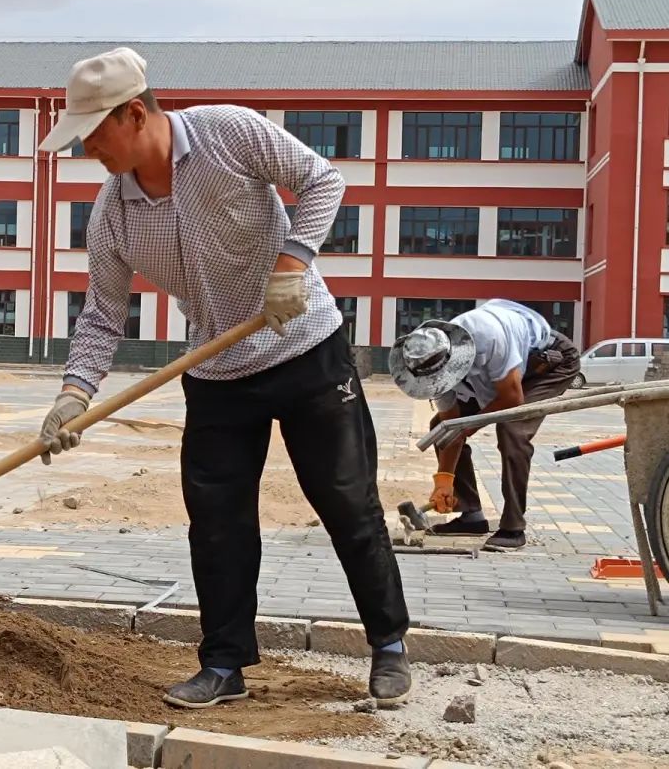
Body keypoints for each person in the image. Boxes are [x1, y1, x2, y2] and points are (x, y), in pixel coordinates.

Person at [36, 47, 411, 708]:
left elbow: (322, 180)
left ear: (132, 113)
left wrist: (293, 263)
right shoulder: (113, 213)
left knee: (347, 503)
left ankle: (388, 647)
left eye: (93, 133)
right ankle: (225, 665)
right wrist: (73, 396)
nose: (86, 148)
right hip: (215, 369)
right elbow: (101, 318)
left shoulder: (227, 133)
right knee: (216, 524)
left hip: (306, 351)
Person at [388, 299, 581, 550]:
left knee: (512, 429)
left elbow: (512, 398)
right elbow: (451, 426)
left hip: (548, 363)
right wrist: (444, 480)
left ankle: (513, 528)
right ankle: (471, 515)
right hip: (504, 373)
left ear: (453, 359)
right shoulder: (429, 367)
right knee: (440, 427)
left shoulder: (489, 336)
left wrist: (471, 426)